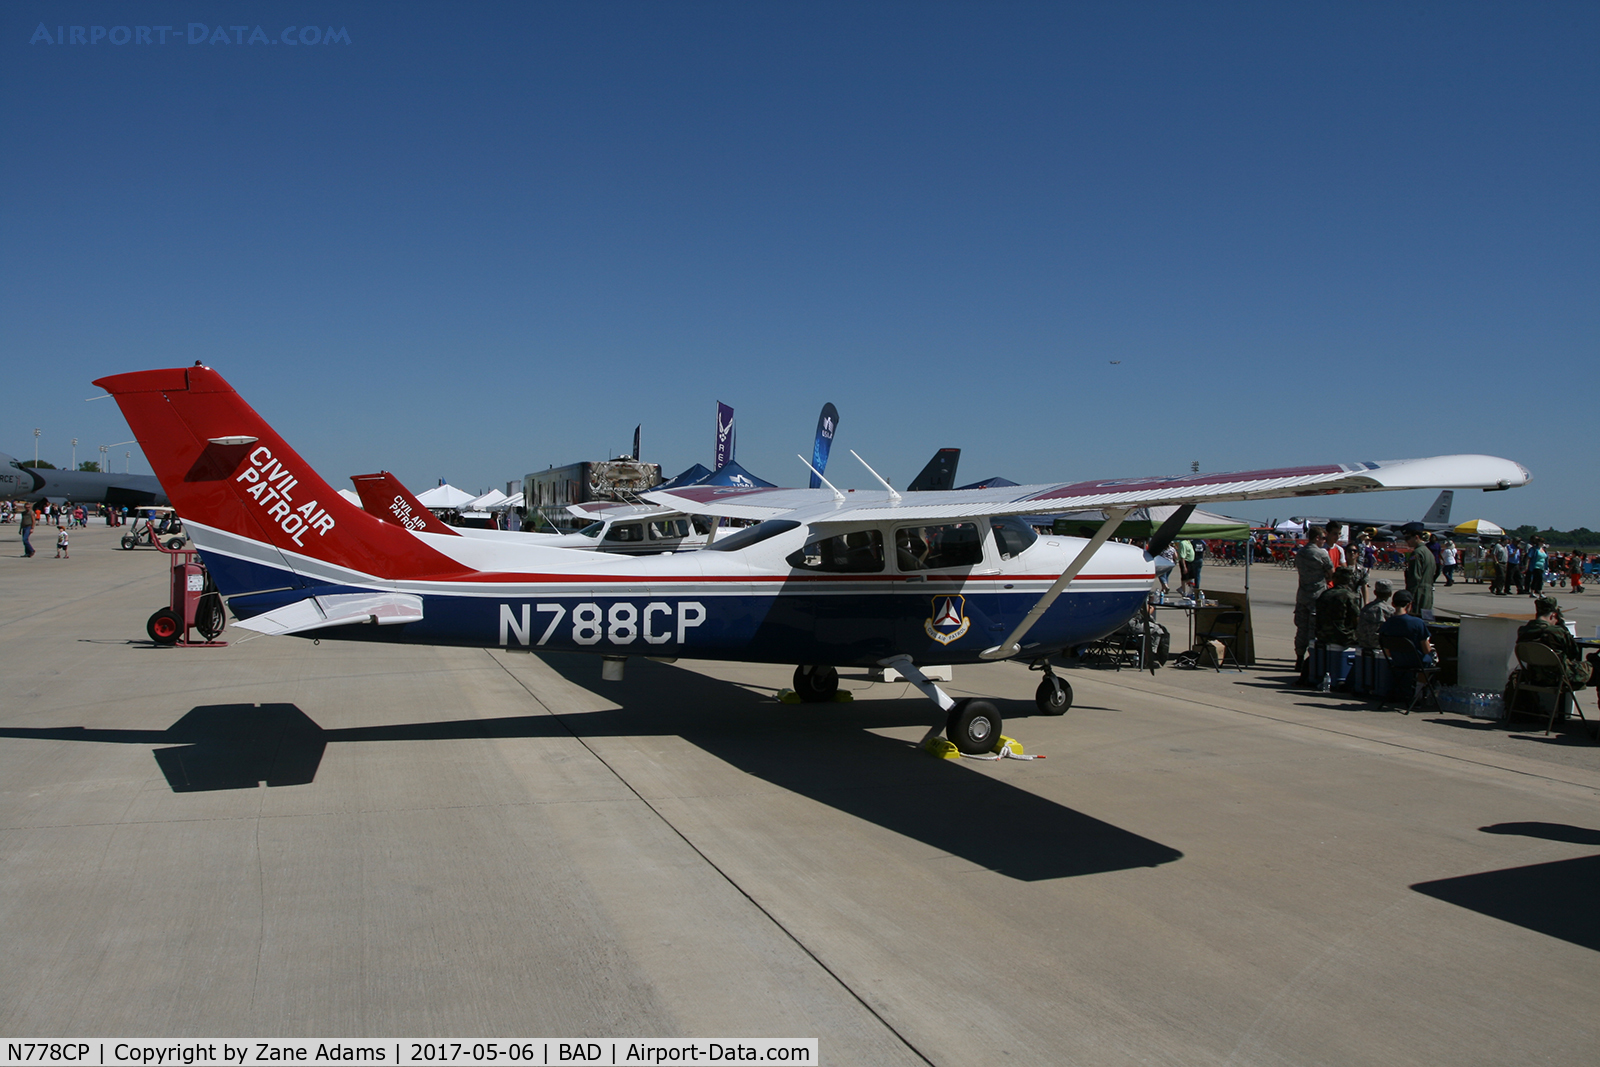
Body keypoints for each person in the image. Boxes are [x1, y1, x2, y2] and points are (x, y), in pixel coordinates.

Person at [1515, 597, 1592, 690]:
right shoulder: (1556, 632)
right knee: (1596, 665)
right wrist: (1562, 627)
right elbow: (1573, 653)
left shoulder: (1523, 631)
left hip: (1534, 677)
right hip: (1559, 678)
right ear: (1553, 616)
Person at [1293, 525, 1333, 676]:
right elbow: (1330, 573)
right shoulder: (1321, 553)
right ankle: (1311, 661)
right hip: (1317, 595)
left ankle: (1299, 657)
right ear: (1317, 538)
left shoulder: (1301, 553)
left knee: (1301, 628)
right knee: (1313, 630)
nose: (1324, 541)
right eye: (1323, 538)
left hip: (1303, 594)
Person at [1379, 590, 1434, 669]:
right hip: (1417, 662)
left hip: (1397, 662)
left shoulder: (1386, 624)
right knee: (1431, 656)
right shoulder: (1417, 623)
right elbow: (1426, 650)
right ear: (1409, 605)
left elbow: (1387, 652)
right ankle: (1422, 681)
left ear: (1393, 604)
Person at [1315, 566, 1360, 649]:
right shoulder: (1349, 595)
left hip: (1323, 635)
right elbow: (1356, 619)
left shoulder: (1325, 594)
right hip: (1342, 637)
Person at [1402, 524, 1438, 620]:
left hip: (1418, 594)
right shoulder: (1428, 552)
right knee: (1426, 621)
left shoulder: (1417, 553)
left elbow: (1415, 577)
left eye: (1408, 538)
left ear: (1416, 537)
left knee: (1416, 621)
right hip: (1427, 594)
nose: (1406, 541)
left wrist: (1409, 599)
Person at [1356, 580, 1395, 650]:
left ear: (1375, 592)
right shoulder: (1389, 610)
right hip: (1379, 645)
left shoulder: (1366, 608)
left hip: (1363, 643)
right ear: (1390, 594)